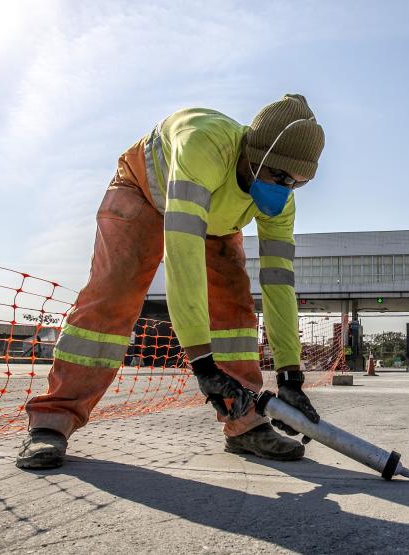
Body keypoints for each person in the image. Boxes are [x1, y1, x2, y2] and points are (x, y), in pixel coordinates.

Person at [17, 94, 325, 469]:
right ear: (252, 152)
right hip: (145, 192)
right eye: (278, 176)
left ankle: (244, 423)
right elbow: (183, 258)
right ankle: (52, 421)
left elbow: (279, 285)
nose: (284, 190)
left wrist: (290, 376)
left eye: (297, 183)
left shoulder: (282, 203)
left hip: (214, 221)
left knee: (235, 309)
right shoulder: (204, 148)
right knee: (114, 294)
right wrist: (203, 365)